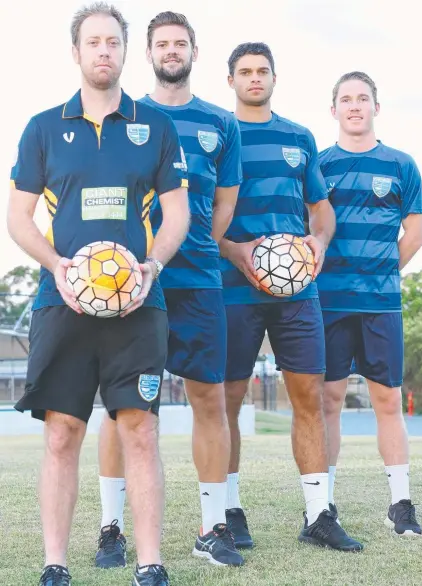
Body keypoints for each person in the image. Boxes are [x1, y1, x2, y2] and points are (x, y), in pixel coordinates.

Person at [8, 4, 189, 586]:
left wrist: (151, 268)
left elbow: (178, 214)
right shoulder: (42, 127)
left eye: (113, 41)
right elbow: (18, 218)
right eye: (94, 42)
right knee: (62, 432)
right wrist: (59, 266)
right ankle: (55, 564)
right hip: (62, 303)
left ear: (124, 51)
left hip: (139, 305)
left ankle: (150, 563)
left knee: (140, 428)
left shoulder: (155, 128)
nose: (104, 50)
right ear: (77, 53)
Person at [95, 11, 244, 569]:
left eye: (180, 43)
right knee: (124, 409)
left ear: (194, 52)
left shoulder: (219, 124)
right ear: (149, 52)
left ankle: (213, 527)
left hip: (201, 280)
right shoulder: (125, 114)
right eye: (162, 43)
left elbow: (224, 204)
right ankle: (111, 528)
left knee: (211, 400)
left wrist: (200, 239)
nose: (172, 51)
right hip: (135, 282)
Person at [220, 42, 363, 552]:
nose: (254, 78)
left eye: (262, 71)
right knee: (228, 401)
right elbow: (196, 214)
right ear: (230, 80)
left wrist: (318, 242)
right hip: (233, 289)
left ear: (274, 78)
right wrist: (238, 254)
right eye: (245, 72)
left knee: (310, 398)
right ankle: (229, 513)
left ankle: (319, 514)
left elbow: (321, 211)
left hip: (299, 290)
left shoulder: (298, 137)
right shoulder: (219, 132)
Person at [318, 71, 422, 536]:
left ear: (376, 108)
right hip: (328, 301)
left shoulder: (402, 165)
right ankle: (322, 504)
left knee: (387, 399)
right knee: (329, 399)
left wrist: (378, 270)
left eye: (363, 98)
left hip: (381, 303)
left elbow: (416, 235)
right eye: (347, 99)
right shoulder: (318, 166)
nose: (355, 106)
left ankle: (400, 505)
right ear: (335, 110)